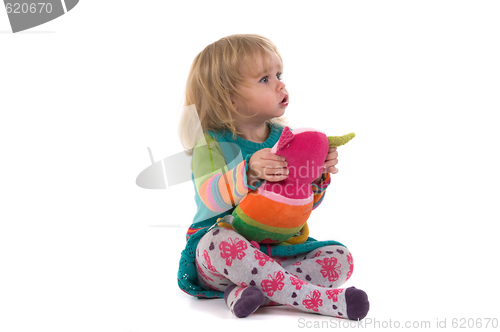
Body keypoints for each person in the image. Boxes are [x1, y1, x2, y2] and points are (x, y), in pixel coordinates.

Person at [177, 34, 369, 320]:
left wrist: (316, 178)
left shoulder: (286, 139)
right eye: (264, 79)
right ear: (228, 97)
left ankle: (246, 292)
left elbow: (299, 205)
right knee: (217, 242)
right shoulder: (212, 144)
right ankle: (321, 300)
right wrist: (249, 171)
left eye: (278, 74)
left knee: (341, 258)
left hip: (277, 249)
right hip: (222, 254)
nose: (281, 84)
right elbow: (211, 199)